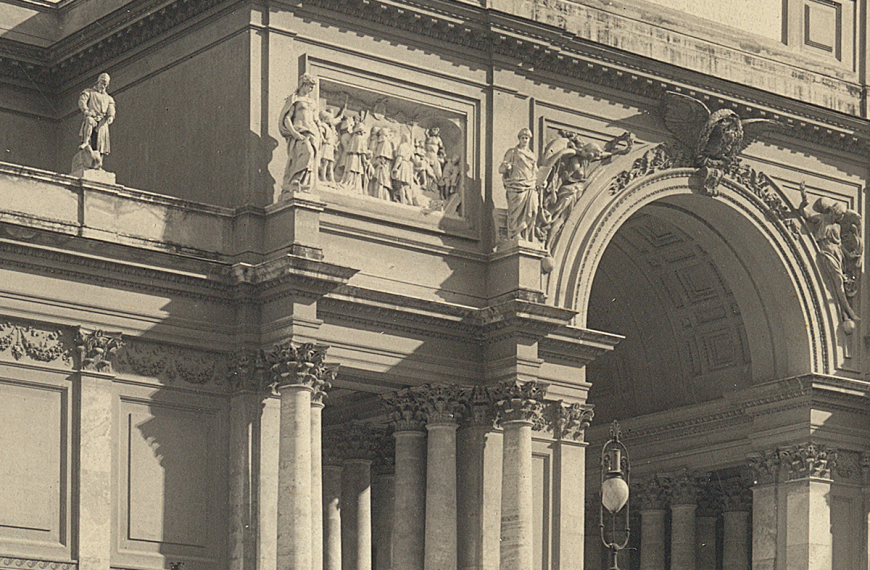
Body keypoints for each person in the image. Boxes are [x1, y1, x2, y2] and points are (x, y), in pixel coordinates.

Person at [799, 182, 862, 323]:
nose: (841, 218)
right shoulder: (821, 219)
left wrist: (849, 255)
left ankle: (843, 312)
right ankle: (849, 311)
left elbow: (839, 246)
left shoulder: (837, 226)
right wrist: (803, 200)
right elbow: (806, 215)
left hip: (837, 256)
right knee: (838, 282)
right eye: (840, 215)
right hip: (827, 254)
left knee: (837, 283)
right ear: (835, 212)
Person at [279, 74, 321, 192]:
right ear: (303, 85)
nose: (311, 89)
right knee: (306, 152)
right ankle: (295, 179)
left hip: (312, 132)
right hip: (300, 131)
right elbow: (287, 118)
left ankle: (303, 182)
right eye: (309, 86)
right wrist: (293, 132)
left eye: (312, 87)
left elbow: (315, 119)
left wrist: (321, 131)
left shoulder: (312, 102)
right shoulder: (295, 99)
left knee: (311, 155)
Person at [499, 128, 538, 242]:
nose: (525, 140)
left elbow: (535, 170)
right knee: (516, 210)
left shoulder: (531, 155)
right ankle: (516, 233)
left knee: (534, 209)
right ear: (519, 139)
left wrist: (542, 179)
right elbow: (501, 169)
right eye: (523, 138)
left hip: (530, 185)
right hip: (516, 185)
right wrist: (507, 167)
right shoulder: (512, 152)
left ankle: (526, 235)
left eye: (527, 138)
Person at [78, 72, 116, 169]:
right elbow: (82, 101)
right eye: (102, 82)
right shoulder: (89, 92)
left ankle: (99, 163)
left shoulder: (108, 98)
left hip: (102, 120)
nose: (104, 85)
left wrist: (111, 116)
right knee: (89, 121)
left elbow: (111, 108)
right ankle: (86, 141)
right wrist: (86, 111)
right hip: (92, 116)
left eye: (106, 84)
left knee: (101, 142)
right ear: (98, 82)